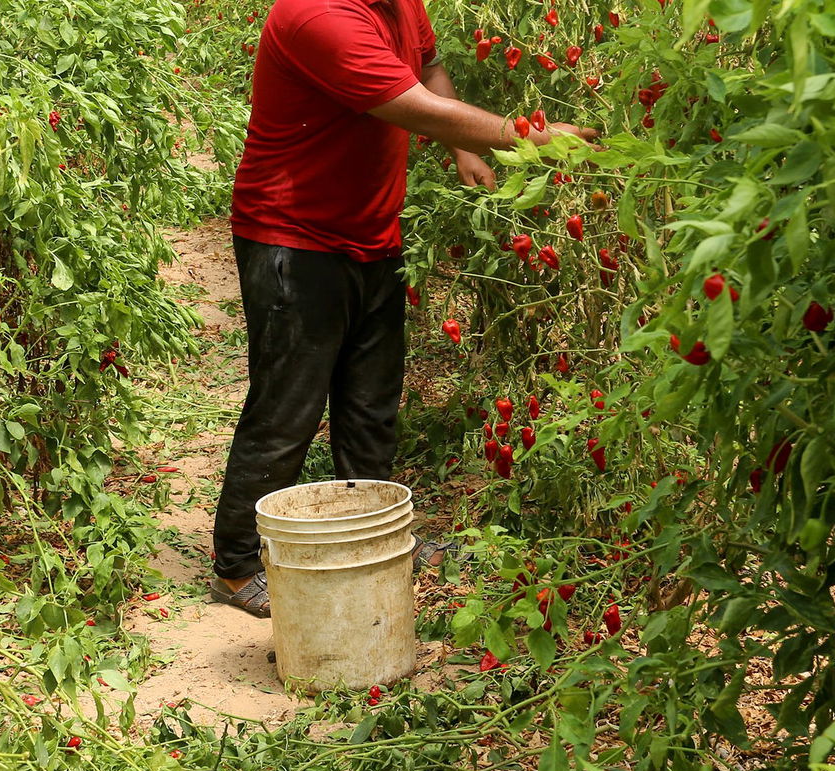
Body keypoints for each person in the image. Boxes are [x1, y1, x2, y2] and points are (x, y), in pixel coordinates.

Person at [210, 0, 599, 617]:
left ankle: (378, 534)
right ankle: (236, 566)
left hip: (370, 229)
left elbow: (428, 66)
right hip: (293, 236)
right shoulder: (316, 18)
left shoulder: (395, 3)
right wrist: (529, 137)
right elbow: (410, 104)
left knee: (370, 402)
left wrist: (461, 149)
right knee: (288, 405)